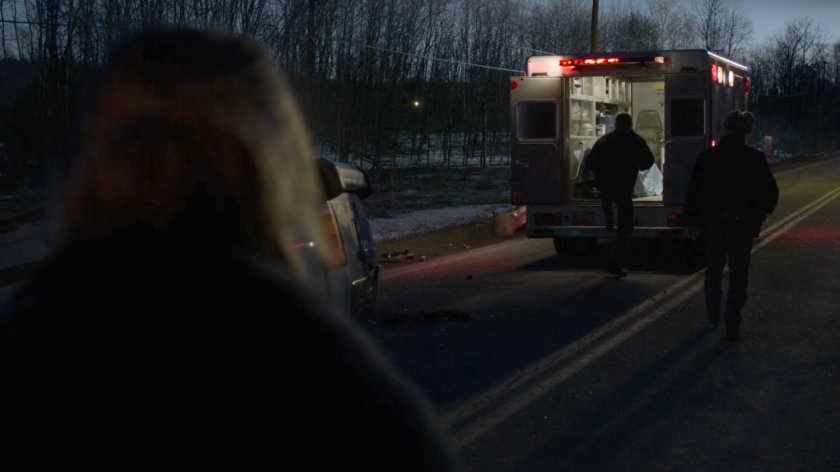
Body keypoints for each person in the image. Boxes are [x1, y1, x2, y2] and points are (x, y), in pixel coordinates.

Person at [0, 26, 460, 470]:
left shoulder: (29, 355)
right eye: (131, 141)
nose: (147, 165)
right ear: (257, 171)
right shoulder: (350, 403)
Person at [683, 110, 778, 341]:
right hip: (742, 227)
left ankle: (713, 312)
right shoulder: (754, 159)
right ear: (747, 131)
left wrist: (693, 221)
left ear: (724, 129)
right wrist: (758, 216)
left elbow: (694, 193)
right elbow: (769, 193)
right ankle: (732, 318)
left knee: (713, 270)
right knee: (738, 274)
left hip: (713, 225)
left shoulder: (707, 158)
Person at [586, 112, 655, 277]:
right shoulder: (635, 141)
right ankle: (615, 261)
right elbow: (648, 161)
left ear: (616, 123)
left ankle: (609, 222)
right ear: (630, 124)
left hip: (606, 185)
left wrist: (601, 175)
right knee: (625, 224)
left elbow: (591, 162)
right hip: (624, 186)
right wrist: (636, 166)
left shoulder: (604, 140)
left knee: (608, 206)